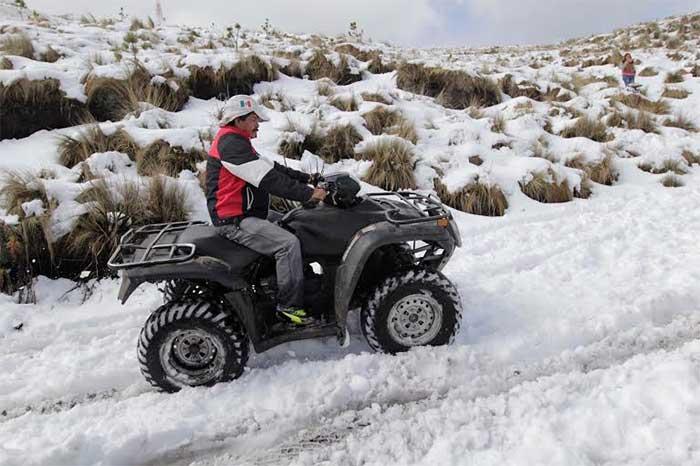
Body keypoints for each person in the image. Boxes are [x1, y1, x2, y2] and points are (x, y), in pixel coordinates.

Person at [206, 95, 327, 325]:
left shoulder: (236, 140)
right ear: (238, 119)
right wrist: (308, 194)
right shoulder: (230, 144)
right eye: (253, 119)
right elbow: (268, 179)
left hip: (246, 211)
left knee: (294, 222)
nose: (258, 124)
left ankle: (292, 280)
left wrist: (307, 178)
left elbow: (271, 167)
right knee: (287, 244)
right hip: (234, 219)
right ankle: (289, 308)